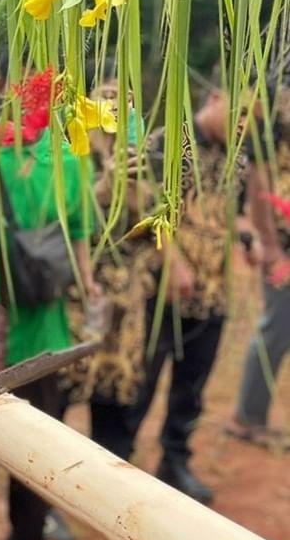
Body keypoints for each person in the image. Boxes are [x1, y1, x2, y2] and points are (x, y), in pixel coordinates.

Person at [89, 85, 260, 505]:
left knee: (193, 383)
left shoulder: (237, 155)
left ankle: (174, 459)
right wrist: (173, 261)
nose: (244, 127)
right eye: (240, 114)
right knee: (139, 381)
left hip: (213, 291)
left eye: (251, 122)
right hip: (158, 288)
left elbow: (226, 209)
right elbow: (142, 207)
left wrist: (243, 236)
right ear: (216, 97)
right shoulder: (168, 142)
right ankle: (114, 470)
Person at [0, 77, 95, 540]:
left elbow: (80, 233)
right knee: (10, 451)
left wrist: (89, 295)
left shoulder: (64, 160)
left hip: (24, 331)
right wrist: (88, 289)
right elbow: (79, 238)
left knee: (27, 451)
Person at [226, 83, 290, 448]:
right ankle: (246, 419)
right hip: (280, 248)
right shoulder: (267, 134)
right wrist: (271, 247)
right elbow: (259, 194)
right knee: (276, 331)